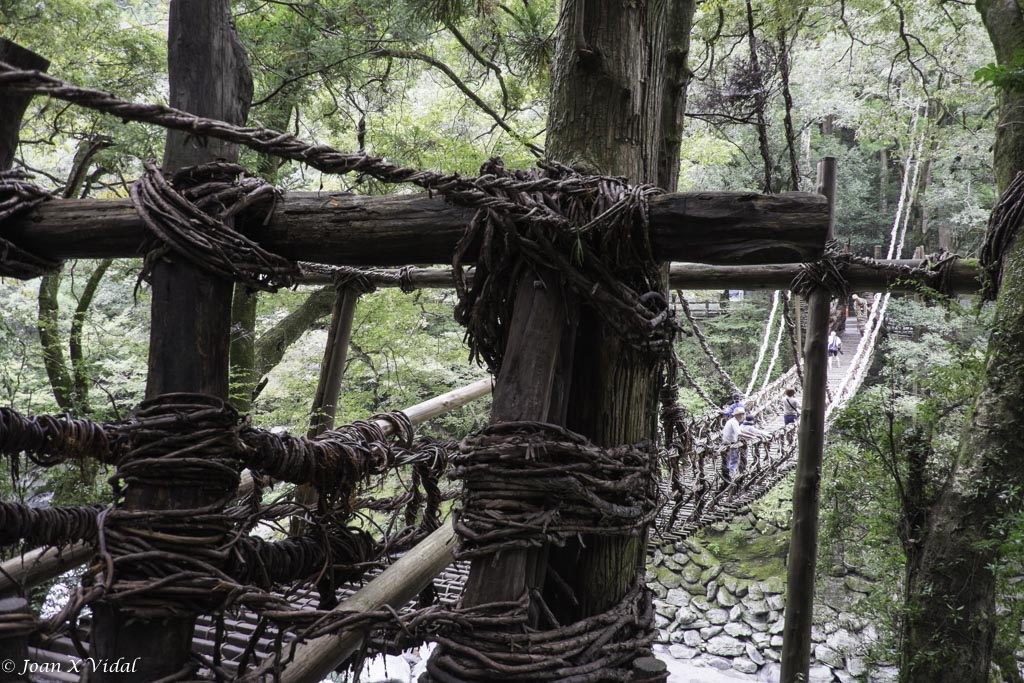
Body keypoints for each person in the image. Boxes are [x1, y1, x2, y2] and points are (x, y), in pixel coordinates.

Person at [721, 404, 746, 481]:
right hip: (730, 443)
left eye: (743, 414)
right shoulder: (734, 422)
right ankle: (731, 474)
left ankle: (729, 474)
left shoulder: (733, 421)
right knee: (733, 459)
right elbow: (739, 433)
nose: (742, 416)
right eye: (741, 415)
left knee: (729, 459)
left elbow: (741, 431)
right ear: (737, 415)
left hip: (727, 442)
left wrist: (753, 435)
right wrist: (752, 437)